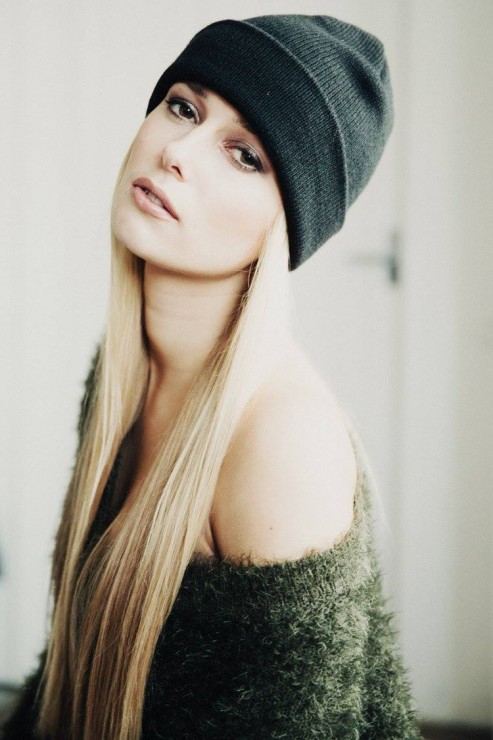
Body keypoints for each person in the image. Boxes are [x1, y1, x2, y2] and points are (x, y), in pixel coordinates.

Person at [1, 13, 424, 740]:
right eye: (183, 108)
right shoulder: (124, 370)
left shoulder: (281, 440)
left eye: (245, 156)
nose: (177, 152)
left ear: (288, 225)